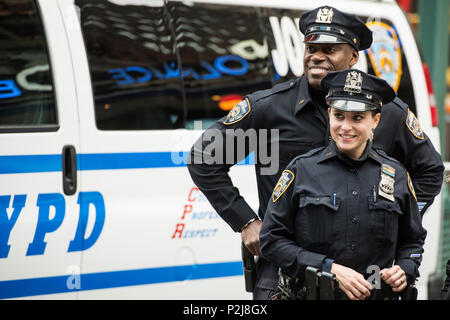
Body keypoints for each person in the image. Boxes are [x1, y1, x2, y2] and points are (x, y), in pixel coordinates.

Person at [187, 6, 443, 299]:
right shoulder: (270, 109)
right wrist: (246, 221)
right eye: (311, 47)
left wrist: (398, 222)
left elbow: (430, 171)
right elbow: (204, 158)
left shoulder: (388, 113)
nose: (316, 56)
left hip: (363, 277)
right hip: (285, 270)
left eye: (330, 49)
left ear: (353, 57)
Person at [259, 69, 427, 300]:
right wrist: (328, 269)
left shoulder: (396, 174)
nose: (345, 127)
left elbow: (413, 240)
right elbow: (271, 241)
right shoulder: (301, 170)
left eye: (357, 118)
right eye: (339, 116)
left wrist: (405, 268)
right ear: (329, 114)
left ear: (375, 120)